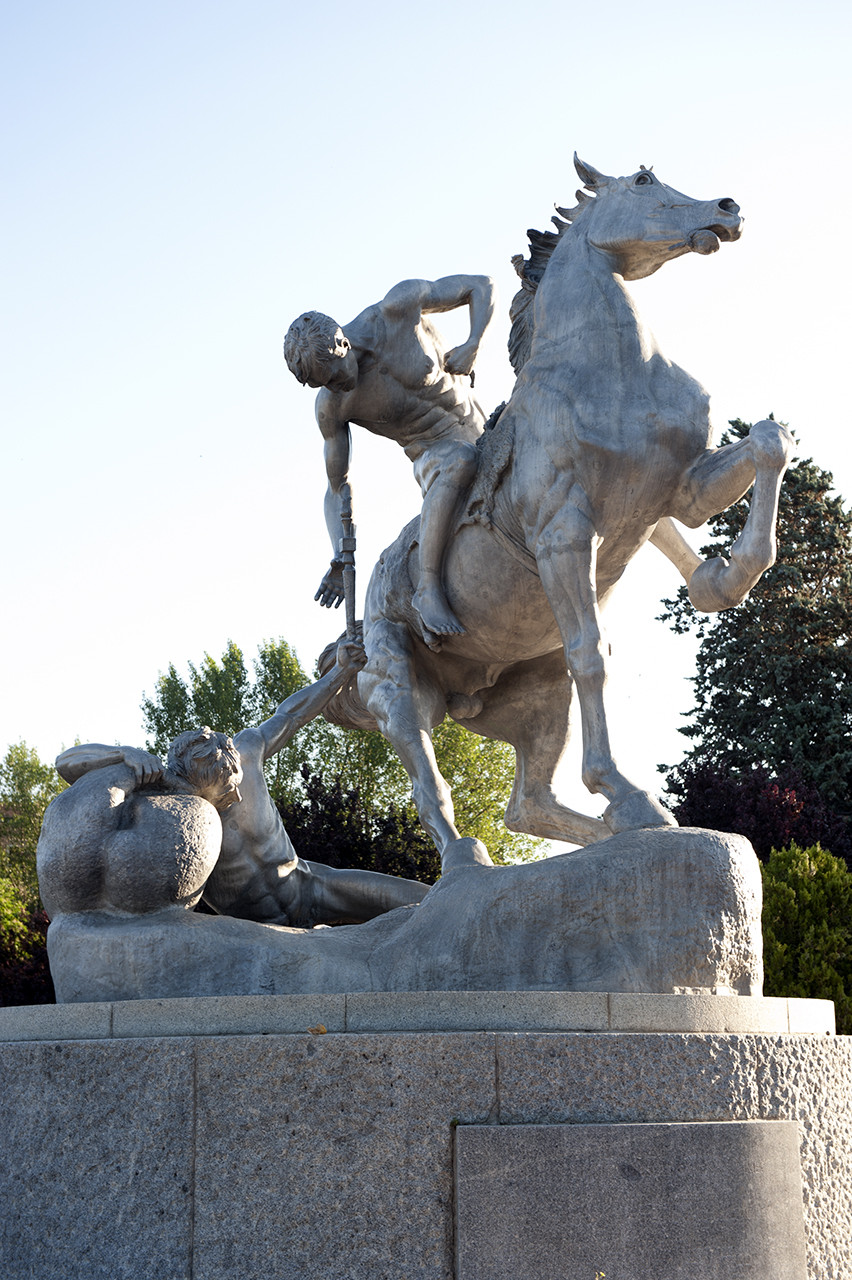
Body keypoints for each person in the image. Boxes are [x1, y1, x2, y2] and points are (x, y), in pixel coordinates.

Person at [51, 641, 430, 927]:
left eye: (236, 778)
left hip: (312, 887)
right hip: (258, 929)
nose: (236, 790)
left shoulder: (245, 752)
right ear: (193, 784)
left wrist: (340, 674)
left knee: (424, 902)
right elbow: (66, 763)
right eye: (224, 787)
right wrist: (122, 754)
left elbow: (292, 714)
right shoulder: (170, 800)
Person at [283, 274, 496, 640]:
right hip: (434, 456)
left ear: (342, 343)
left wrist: (474, 342)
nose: (338, 387)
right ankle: (427, 589)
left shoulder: (398, 308)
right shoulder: (333, 407)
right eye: (326, 385)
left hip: (484, 424)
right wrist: (338, 553)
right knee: (459, 459)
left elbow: (479, 285)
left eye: (335, 375)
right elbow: (337, 488)